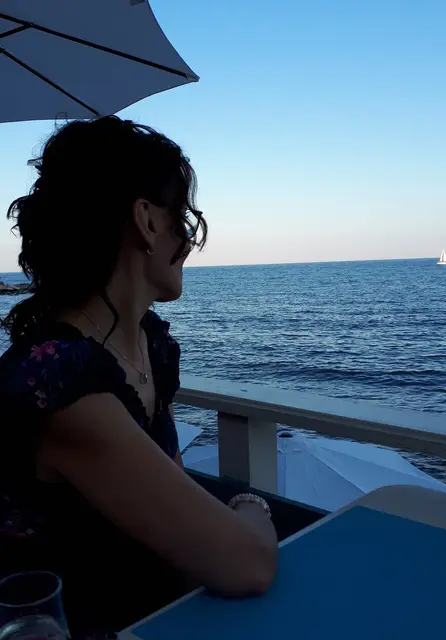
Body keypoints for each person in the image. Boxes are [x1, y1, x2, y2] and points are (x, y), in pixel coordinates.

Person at [0, 117, 277, 637]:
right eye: (184, 220)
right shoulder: (61, 385)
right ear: (146, 221)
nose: (189, 241)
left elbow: (172, 497)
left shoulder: (148, 346)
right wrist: (252, 503)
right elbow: (249, 564)